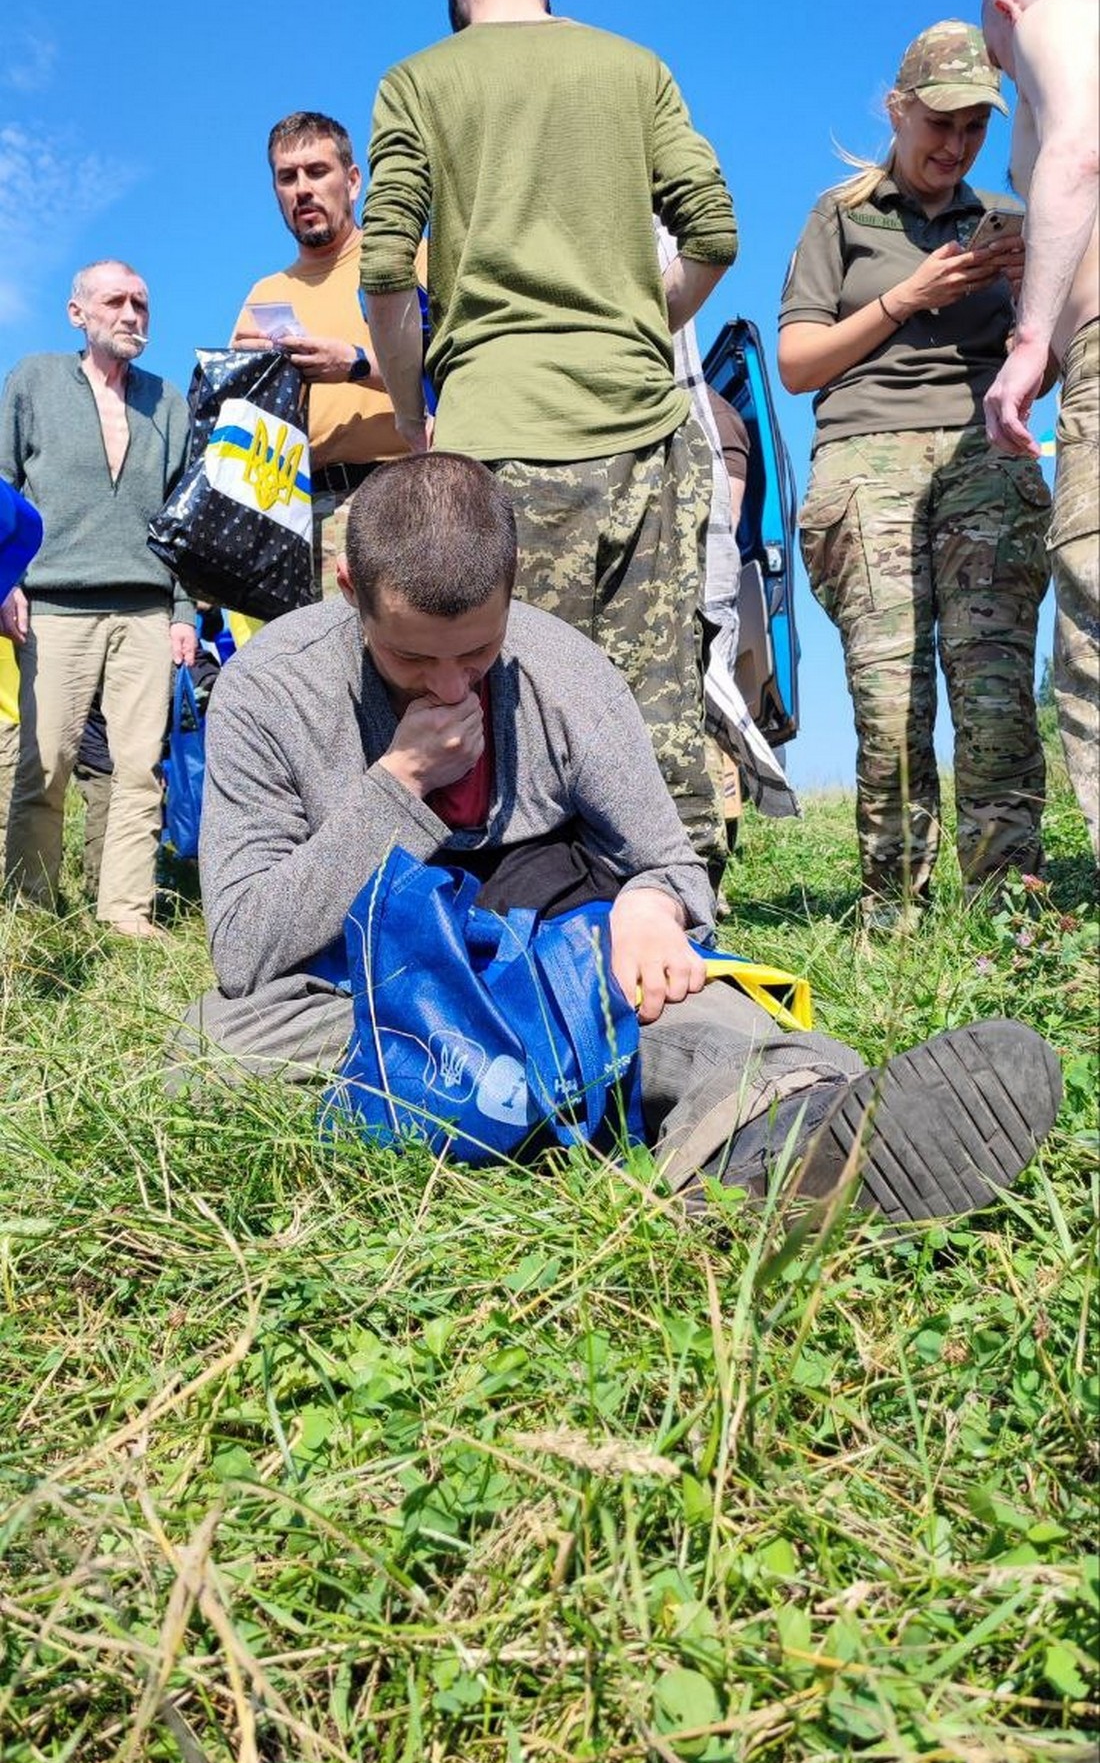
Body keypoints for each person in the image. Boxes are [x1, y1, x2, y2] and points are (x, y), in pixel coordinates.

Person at [176, 452, 1061, 1225]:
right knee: (213, 1042)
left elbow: (670, 862)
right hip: (378, 976)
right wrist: (397, 785)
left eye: (476, 653)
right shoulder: (269, 690)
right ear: (348, 592)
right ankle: (587, 1100)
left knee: (696, 999)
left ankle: (795, 1139)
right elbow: (246, 949)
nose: (449, 684)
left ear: (512, 592)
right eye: (412, 658)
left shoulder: (566, 672)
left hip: (560, 950)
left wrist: (651, 903)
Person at [359, 0, 737, 883]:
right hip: (644, 431)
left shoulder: (416, 83)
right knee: (657, 703)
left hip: (495, 440)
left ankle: (522, 926)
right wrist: (631, 322)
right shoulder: (634, 69)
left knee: (503, 706)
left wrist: (412, 414)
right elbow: (712, 234)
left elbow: (387, 274)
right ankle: (681, 933)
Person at [778, 22, 1053, 930]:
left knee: (995, 687)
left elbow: (1035, 373)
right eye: (940, 121)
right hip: (866, 455)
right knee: (890, 696)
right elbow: (797, 363)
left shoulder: (1003, 224)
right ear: (897, 111)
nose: (956, 145)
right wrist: (909, 297)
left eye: (976, 126)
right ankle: (894, 912)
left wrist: (1033, 314)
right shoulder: (840, 218)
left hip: (980, 454)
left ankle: (1009, 911)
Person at [0, 260, 194, 935]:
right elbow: (0, 486)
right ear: (77, 313)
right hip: (52, 605)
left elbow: (183, 519)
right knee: (44, 765)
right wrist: (4, 583)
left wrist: (185, 611)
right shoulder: (31, 381)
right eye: (116, 301)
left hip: (144, 608)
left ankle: (126, 917)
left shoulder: (169, 402)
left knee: (140, 771)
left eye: (142, 302)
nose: (132, 313)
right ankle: (32, 914)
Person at [982, 0, 1099, 860]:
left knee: (1094, 642)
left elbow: (1079, 152)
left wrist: (1027, 347)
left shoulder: (1063, 24)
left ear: (1006, 10)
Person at [230, 112, 426, 596]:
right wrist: (248, 381)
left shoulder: (409, 261)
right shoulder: (263, 295)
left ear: (353, 180)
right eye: (287, 177)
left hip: (403, 495)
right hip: (297, 517)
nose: (302, 189)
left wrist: (354, 364)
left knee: (408, 662)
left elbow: (451, 376)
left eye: (317, 171)